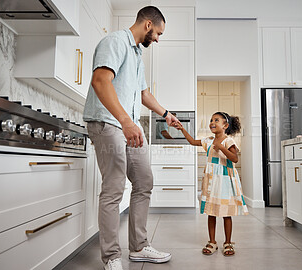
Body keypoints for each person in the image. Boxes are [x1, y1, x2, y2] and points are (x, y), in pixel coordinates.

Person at [83, 6, 180, 270]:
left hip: (128, 126)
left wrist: (166, 113)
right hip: (107, 122)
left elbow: (144, 94)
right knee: (114, 187)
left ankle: (138, 248)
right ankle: (112, 257)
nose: (158, 39)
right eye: (158, 33)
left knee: (144, 180)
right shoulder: (114, 42)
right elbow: (100, 81)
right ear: (148, 25)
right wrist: (126, 121)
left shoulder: (137, 54)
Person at [175, 111, 249, 257]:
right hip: (211, 182)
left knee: (226, 213)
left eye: (216, 120)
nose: (212, 122)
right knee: (211, 212)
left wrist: (221, 147)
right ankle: (212, 241)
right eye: (211, 120)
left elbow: (234, 159)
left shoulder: (228, 141)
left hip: (225, 182)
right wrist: (182, 129)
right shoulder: (208, 140)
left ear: (225, 125)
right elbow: (192, 142)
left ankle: (228, 242)